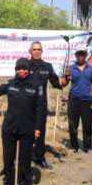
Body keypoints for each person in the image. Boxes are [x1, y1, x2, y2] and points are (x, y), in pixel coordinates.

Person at [0, 58, 43, 185]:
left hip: (27, 128)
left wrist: (38, 127)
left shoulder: (35, 86)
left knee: (25, 159)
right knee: (8, 159)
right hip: (9, 128)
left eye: (25, 68)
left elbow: (40, 108)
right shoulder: (10, 84)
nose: (22, 71)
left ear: (29, 70)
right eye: (19, 68)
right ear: (16, 70)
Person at [26, 41, 65, 170]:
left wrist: (65, 80)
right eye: (34, 49)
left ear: (42, 51)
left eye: (39, 49)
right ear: (30, 51)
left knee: (40, 132)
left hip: (41, 104)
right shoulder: (24, 65)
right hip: (26, 103)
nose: (37, 51)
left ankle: (39, 158)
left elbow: (56, 83)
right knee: (25, 130)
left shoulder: (47, 66)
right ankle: (24, 157)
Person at [65, 49, 92, 153]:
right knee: (72, 124)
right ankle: (74, 145)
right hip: (73, 99)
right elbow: (64, 83)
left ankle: (87, 146)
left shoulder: (91, 69)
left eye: (82, 55)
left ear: (85, 56)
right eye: (78, 55)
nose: (80, 57)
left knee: (87, 124)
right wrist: (65, 76)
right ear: (76, 56)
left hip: (87, 100)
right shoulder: (71, 68)